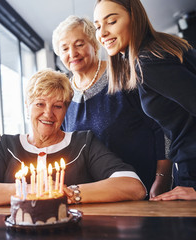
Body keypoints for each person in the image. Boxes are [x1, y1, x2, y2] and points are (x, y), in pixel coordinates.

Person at [0, 69, 146, 207]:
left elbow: (134, 186)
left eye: (57, 106)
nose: (48, 114)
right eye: (40, 104)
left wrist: (69, 193)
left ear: (66, 110)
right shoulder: (8, 146)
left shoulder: (84, 143)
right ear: (27, 106)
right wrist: (32, 190)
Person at [52, 15, 171, 198]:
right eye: (65, 48)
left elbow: (161, 128)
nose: (72, 53)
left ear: (95, 43)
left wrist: (162, 178)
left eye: (79, 44)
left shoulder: (125, 74)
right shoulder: (63, 94)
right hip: (89, 197)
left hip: (141, 190)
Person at [94, 0, 196, 201]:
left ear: (135, 19)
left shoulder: (148, 60)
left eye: (111, 21)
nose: (102, 33)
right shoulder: (160, 47)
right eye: (97, 26)